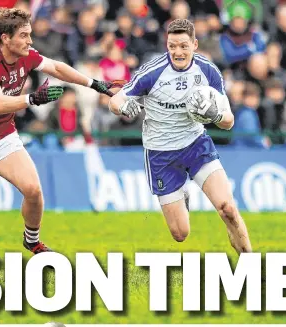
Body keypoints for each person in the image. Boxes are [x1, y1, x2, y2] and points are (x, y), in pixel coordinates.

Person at [0, 8, 121, 262]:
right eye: (24, 35)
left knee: (33, 190)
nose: (30, 41)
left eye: (30, 34)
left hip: (3, 138)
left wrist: (95, 84)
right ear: (5, 38)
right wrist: (33, 98)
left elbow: (57, 68)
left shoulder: (26, 55)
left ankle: (32, 241)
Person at [108, 19, 253, 253]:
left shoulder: (208, 71)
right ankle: (182, 196)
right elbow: (115, 101)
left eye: (183, 46)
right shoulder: (152, 72)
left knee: (227, 208)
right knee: (180, 234)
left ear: (194, 45)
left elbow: (228, 121)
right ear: (167, 45)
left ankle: (252, 268)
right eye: (172, 46)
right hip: (161, 154)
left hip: (196, 145)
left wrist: (214, 114)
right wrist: (124, 108)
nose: (178, 52)